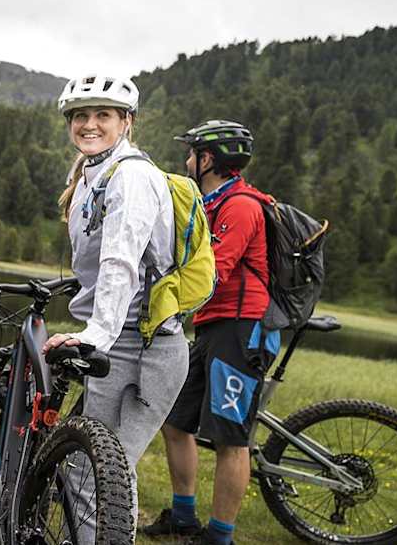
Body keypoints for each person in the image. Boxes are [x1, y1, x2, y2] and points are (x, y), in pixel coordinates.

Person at [43, 75, 189, 543]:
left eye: (103, 115)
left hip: (147, 348)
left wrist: (94, 337)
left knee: (102, 473)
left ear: (127, 122)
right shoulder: (90, 175)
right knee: (86, 465)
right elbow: (96, 264)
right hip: (121, 341)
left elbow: (120, 260)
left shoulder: (131, 176)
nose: (89, 124)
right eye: (80, 116)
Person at [140, 119, 276, 545]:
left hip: (242, 330)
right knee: (176, 421)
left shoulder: (241, 206)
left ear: (209, 159)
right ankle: (183, 517)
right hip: (213, 327)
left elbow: (214, 270)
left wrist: (162, 298)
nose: (186, 161)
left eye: (192, 153)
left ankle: (219, 537)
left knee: (230, 439)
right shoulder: (212, 202)